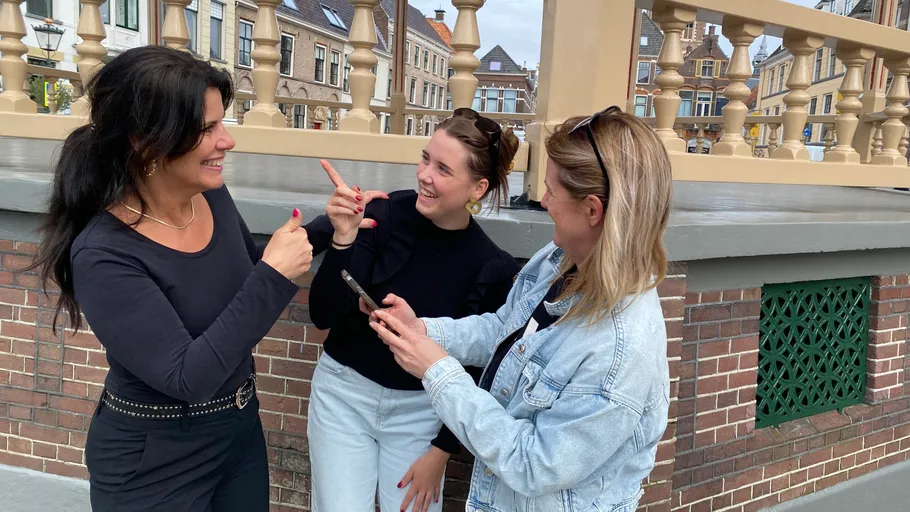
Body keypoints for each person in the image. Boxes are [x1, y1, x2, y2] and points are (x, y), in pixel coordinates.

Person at [28, 46, 319, 512]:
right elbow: (188, 376)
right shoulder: (104, 254)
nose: (227, 141)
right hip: (153, 460)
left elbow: (245, 274)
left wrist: (327, 229)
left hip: (238, 433)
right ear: (146, 141)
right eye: (207, 129)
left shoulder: (210, 196)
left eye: (223, 122)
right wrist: (273, 276)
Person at [367, 107, 673, 512]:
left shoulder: (620, 350)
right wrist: (426, 331)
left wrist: (437, 371)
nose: (542, 200)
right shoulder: (559, 259)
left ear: (593, 210)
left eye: (551, 190)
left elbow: (534, 464)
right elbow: (504, 328)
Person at [306, 108, 522, 512]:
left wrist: (441, 452)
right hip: (344, 396)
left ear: (478, 188)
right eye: (425, 158)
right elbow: (321, 314)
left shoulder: (491, 265)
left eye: (443, 169)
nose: (424, 174)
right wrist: (342, 241)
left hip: (422, 413)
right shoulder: (384, 214)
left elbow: (480, 369)